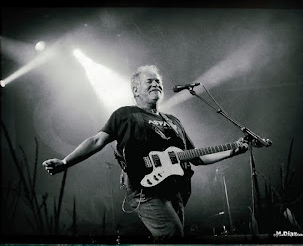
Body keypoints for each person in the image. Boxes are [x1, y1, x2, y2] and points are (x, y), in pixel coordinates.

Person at [42, 65, 248, 243]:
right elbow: (97, 140)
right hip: (145, 189)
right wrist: (65, 161)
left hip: (176, 191)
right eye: (149, 81)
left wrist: (232, 151)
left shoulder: (173, 121)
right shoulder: (125, 114)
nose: (156, 84)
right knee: (173, 236)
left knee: (173, 240)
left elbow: (198, 157)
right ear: (135, 89)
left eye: (158, 81)